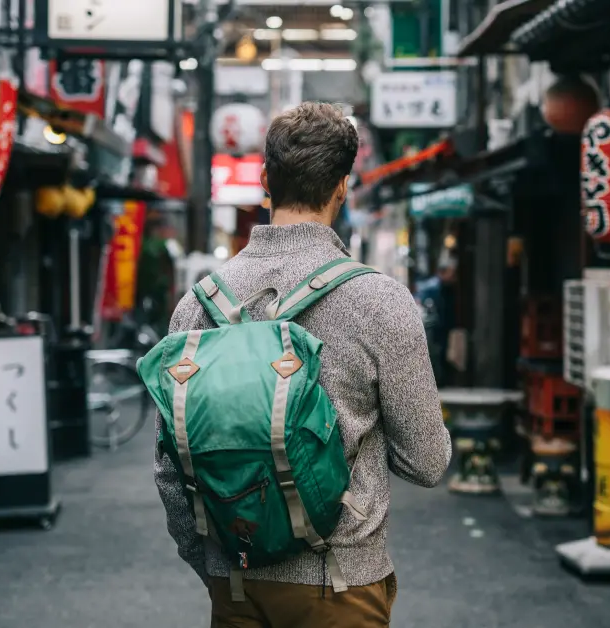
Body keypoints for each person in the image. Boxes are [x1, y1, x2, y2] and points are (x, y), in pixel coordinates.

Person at [156, 102, 452, 627]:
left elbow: (169, 466)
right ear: (343, 186)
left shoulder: (198, 304)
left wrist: (211, 564)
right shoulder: (379, 301)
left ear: (265, 179)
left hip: (237, 583)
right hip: (339, 583)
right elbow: (427, 462)